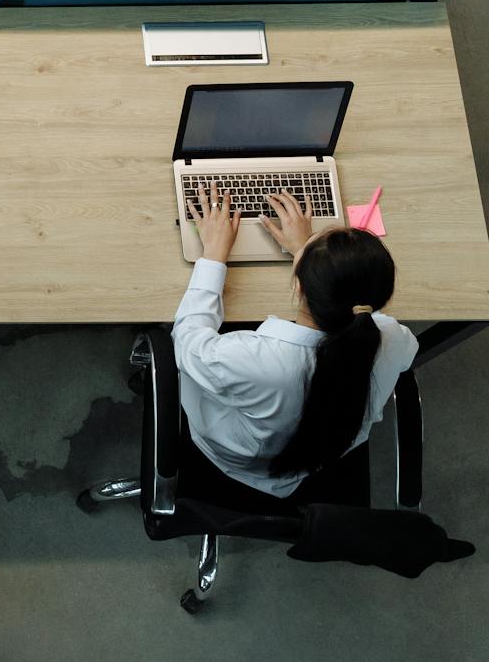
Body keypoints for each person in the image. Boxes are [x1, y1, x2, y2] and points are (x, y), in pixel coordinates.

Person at [175, 188, 418, 498]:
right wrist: (314, 258)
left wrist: (213, 255)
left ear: (298, 286)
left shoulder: (255, 360)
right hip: (315, 459)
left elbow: (187, 344)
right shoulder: (393, 340)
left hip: (238, 459)